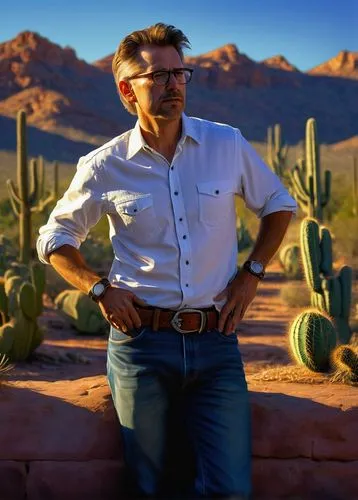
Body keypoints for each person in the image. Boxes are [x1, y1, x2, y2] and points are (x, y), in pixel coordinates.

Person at [37, 23, 297, 500]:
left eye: (180, 73)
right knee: (150, 486)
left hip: (216, 341)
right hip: (141, 346)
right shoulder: (103, 164)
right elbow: (55, 236)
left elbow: (279, 203)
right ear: (127, 90)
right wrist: (98, 288)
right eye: (157, 76)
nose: (173, 84)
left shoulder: (226, 144)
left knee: (231, 488)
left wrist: (252, 273)